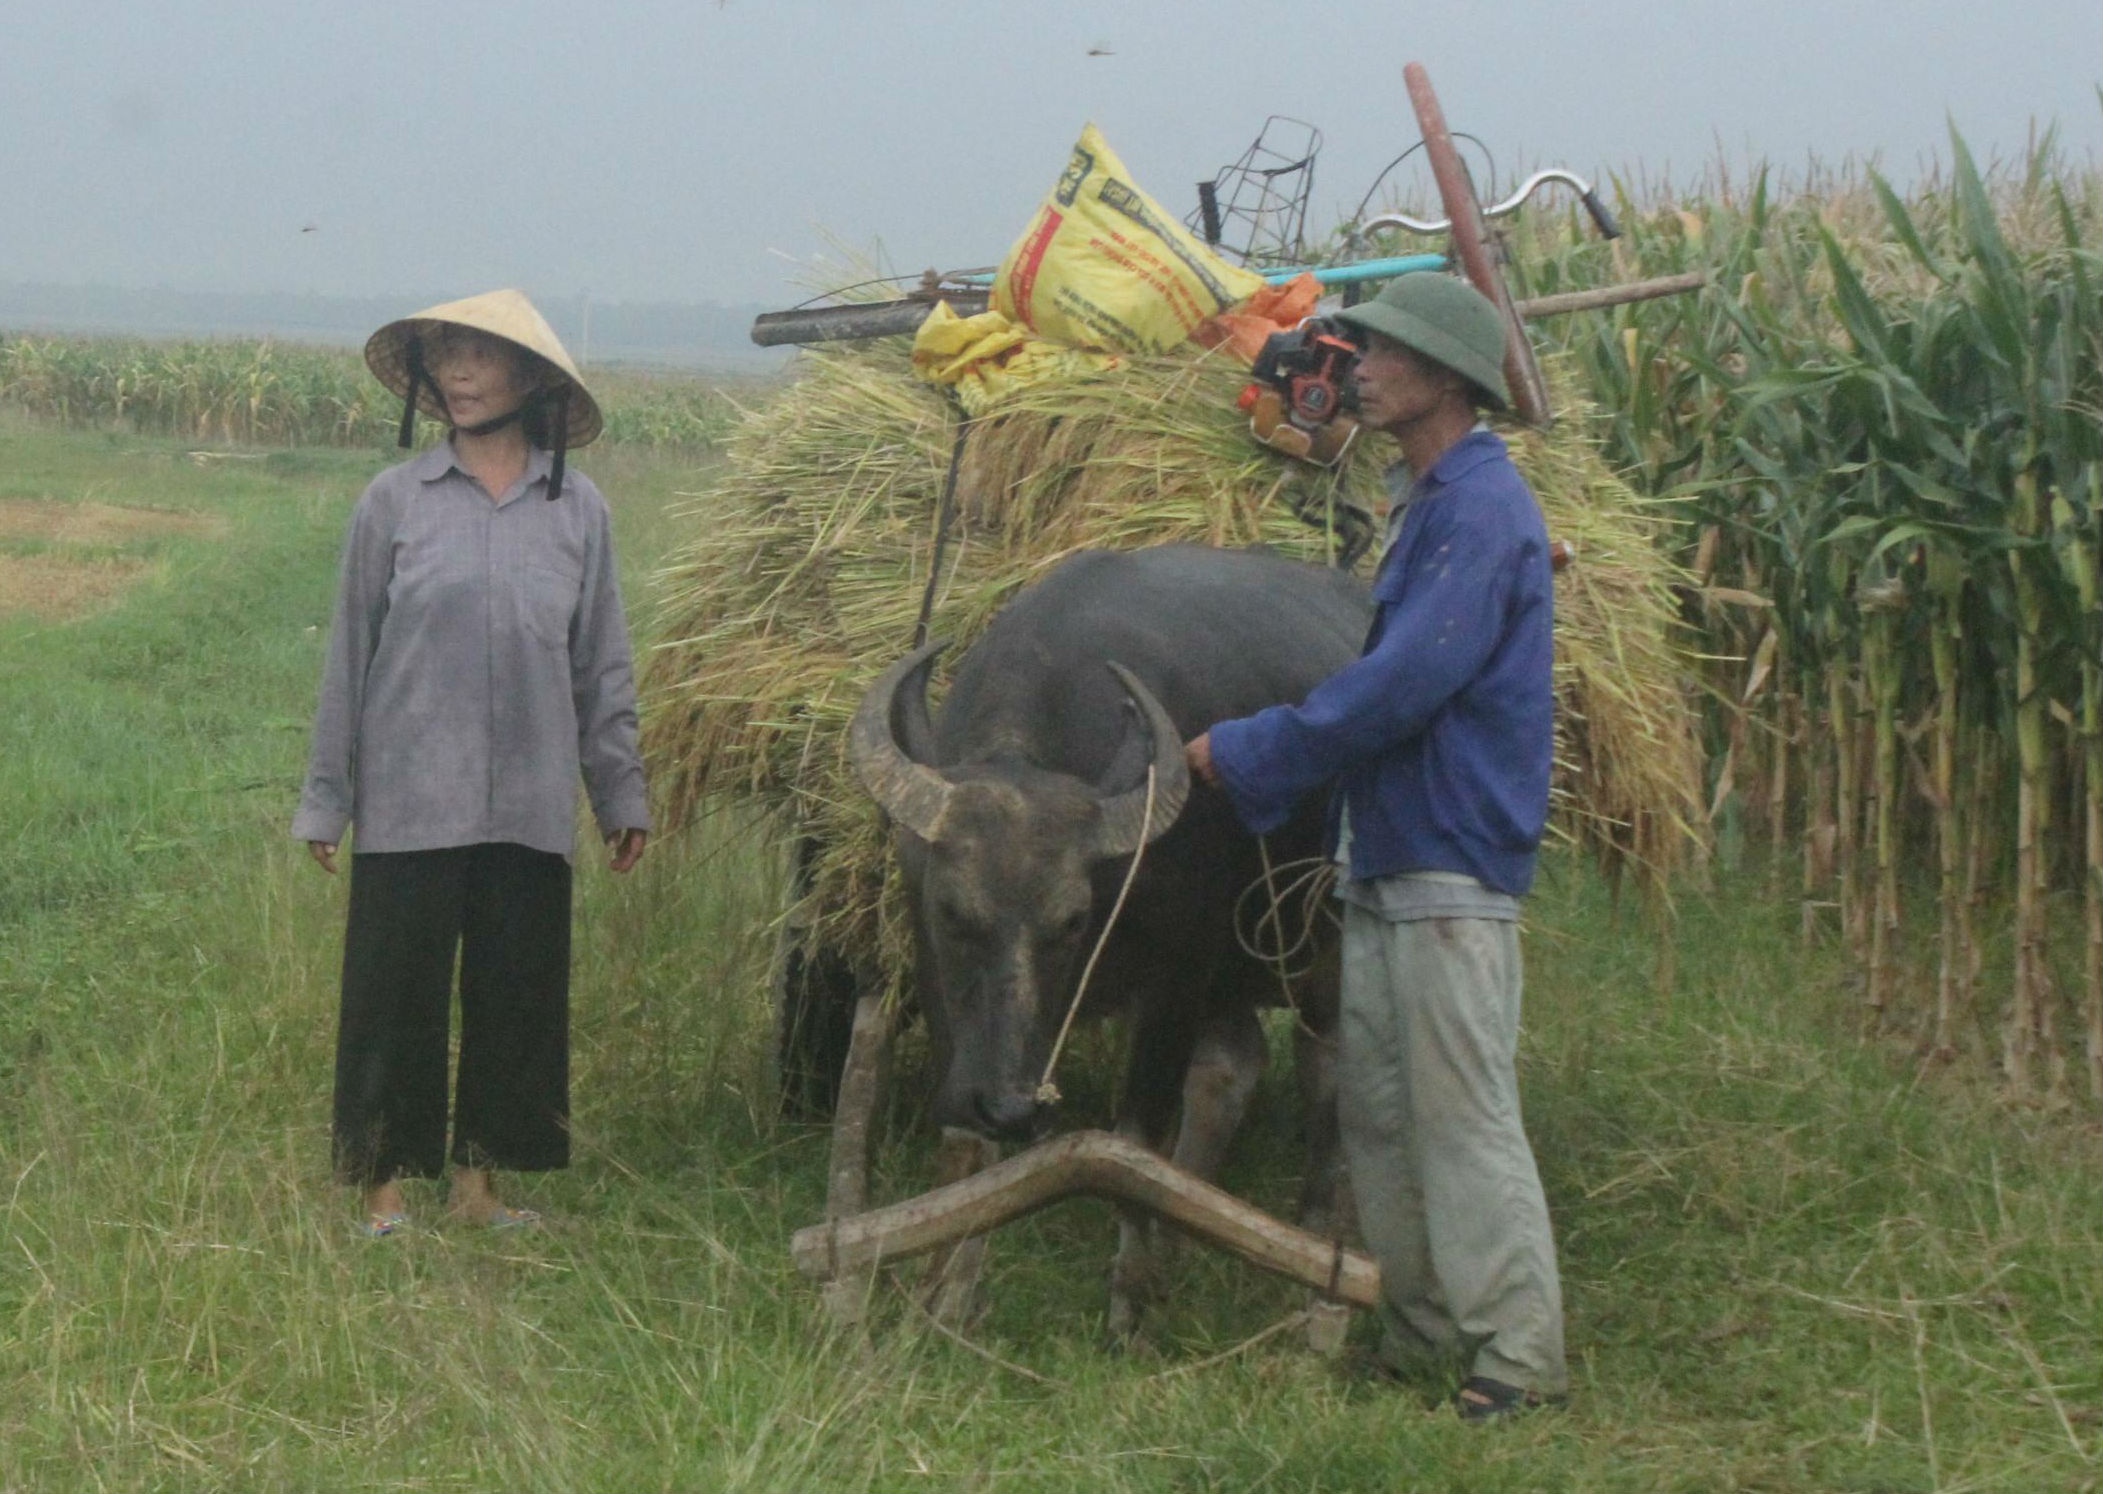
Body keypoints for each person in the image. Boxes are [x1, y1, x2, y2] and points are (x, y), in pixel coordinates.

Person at [1185, 273, 1566, 1420]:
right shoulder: (1428, 502)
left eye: (1385, 353)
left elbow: (1398, 689)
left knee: (1462, 1113)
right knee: (1381, 1110)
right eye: (1357, 349)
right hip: (1393, 853)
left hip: (1453, 856)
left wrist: (1250, 751)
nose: (1359, 366)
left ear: (1446, 379)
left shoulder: (1482, 513)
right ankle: (1417, 1328)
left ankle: (1518, 1358)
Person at [293, 289, 650, 1237]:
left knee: (514, 999)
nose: (455, 372)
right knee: (393, 998)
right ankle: (381, 1198)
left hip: (528, 804)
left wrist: (620, 792)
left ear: (530, 379)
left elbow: (600, 663)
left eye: (478, 356)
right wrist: (328, 801)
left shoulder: (577, 510)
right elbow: (349, 656)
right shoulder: (394, 503)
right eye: (444, 355)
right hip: (411, 797)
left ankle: (480, 1193)